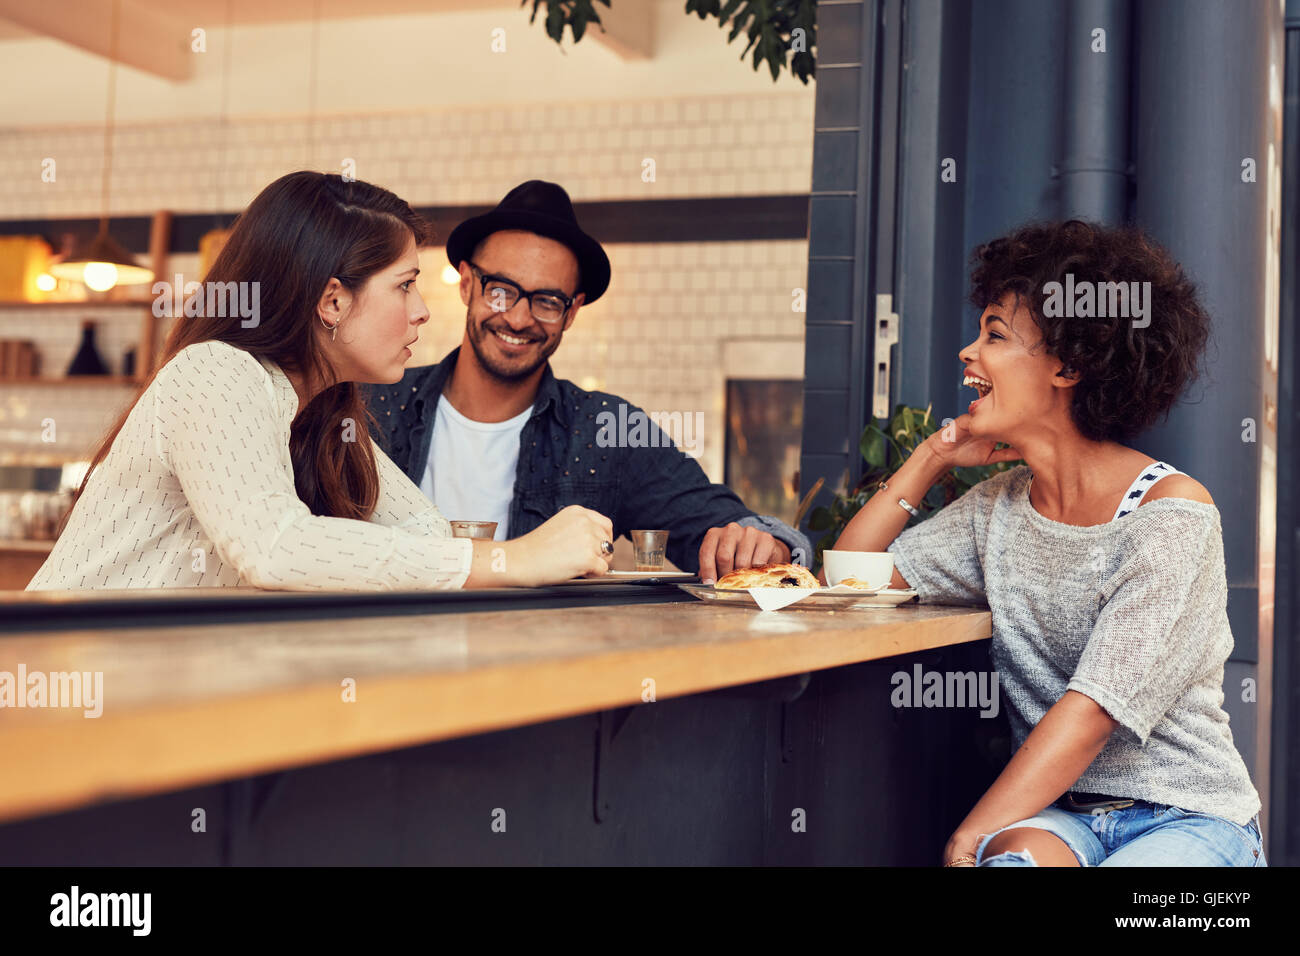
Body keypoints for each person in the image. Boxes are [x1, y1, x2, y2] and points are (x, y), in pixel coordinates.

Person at [833, 220, 1264, 867]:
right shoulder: (999, 508)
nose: (967, 354)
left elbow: (1094, 713)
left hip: (1190, 817)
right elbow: (848, 580)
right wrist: (932, 456)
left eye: (995, 335)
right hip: (1061, 817)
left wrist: (966, 838)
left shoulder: (1172, 515)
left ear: (1069, 364)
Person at [27, 172, 613, 592]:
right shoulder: (215, 371)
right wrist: (518, 559)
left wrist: (533, 557)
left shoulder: (327, 415)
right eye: (405, 285)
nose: (422, 313)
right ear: (333, 300)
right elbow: (275, 548)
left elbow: (425, 538)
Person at [361, 180, 810, 584]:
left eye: (547, 301)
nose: (518, 317)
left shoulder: (607, 428)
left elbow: (721, 524)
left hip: (544, 668)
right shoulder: (368, 407)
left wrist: (760, 544)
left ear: (572, 311)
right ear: (466, 283)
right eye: (500, 289)